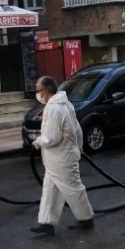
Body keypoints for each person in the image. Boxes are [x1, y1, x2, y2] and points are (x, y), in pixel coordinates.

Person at [30, 76, 94, 236]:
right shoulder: (66, 104)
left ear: (45, 91)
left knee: (73, 188)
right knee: (50, 190)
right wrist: (79, 146)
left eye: (38, 90)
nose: (37, 94)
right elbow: (77, 128)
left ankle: (86, 218)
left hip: (62, 158)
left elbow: (52, 137)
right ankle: (46, 223)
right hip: (56, 159)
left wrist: (38, 141)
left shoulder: (54, 108)